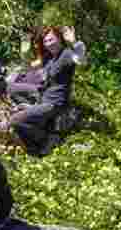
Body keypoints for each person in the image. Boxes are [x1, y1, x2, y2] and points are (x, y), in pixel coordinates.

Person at [9, 26, 86, 157]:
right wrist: (25, 44)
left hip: (55, 103)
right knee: (11, 88)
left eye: (51, 39)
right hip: (43, 95)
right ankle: (35, 111)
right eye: (46, 41)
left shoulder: (67, 54)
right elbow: (27, 66)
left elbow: (81, 60)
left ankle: (46, 138)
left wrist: (73, 42)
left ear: (60, 39)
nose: (48, 44)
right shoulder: (50, 58)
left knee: (15, 121)